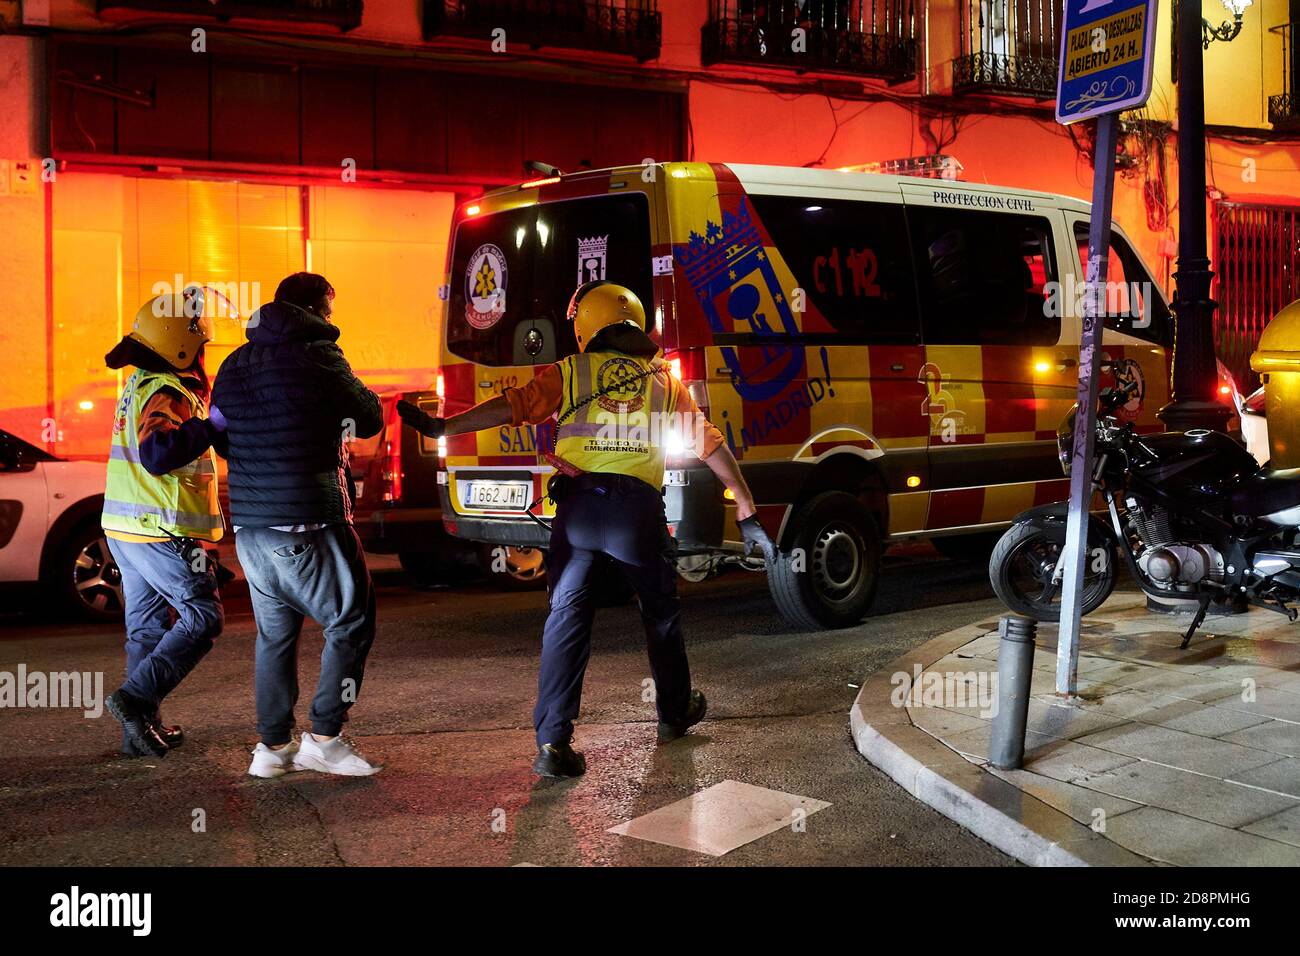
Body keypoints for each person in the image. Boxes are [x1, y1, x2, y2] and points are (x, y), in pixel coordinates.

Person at [399, 281, 775, 778]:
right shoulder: (664, 379)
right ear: (636, 323)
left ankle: (553, 743)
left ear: (584, 326)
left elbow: (512, 405)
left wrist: (445, 427)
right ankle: (674, 711)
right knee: (660, 613)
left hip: (577, 513)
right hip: (638, 515)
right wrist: (746, 509)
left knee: (566, 618)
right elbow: (710, 445)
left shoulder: (570, 371)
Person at [211, 273, 384, 778]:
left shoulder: (233, 362)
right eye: (329, 309)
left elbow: (224, 438)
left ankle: (272, 747)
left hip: (250, 528)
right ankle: (325, 739)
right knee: (351, 622)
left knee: (275, 635)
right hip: (307, 516)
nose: (331, 318)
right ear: (317, 308)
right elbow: (368, 416)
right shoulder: (318, 354)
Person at [102, 287, 227, 758]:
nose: (203, 354)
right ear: (180, 343)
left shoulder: (137, 384)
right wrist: (213, 425)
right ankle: (135, 701)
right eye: (201, 345)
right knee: (204, 616)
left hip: (126, 531)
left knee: (147, 633)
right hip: (160, 532)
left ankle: (137, 734)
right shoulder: (167, 391)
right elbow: (158, 454)